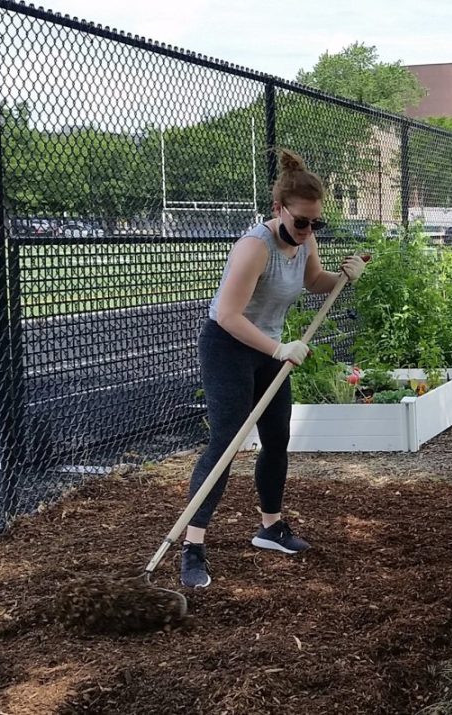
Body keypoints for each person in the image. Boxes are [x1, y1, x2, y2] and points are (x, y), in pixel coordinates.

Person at [179, 148, 368, 588]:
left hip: (270, 350)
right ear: (278, 209)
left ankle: (270, 528)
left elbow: (313, 282)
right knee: (226, 443)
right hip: (229, 347)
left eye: (315, 223)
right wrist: (279, 348)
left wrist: (345, 276)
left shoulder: (304, 241)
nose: (307, 230)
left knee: (277, 439)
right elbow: (228, 315)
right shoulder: (254, 247)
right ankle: (192, 546)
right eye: (300, 221)